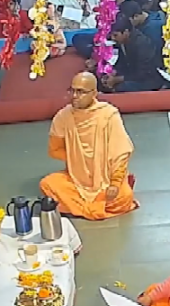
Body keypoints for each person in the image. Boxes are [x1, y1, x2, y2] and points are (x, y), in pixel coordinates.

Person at [39, 72, 138, 220]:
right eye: (72, 90)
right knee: (47, 184)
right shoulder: (63, 117)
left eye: (81, 92)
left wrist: (115, 183)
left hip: (107, 177)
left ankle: (79, 208)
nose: (74, 96)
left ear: (94, 93)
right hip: (77, 179)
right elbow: (54, 150)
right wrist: (79, 160)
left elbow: (121, 153)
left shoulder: (108, 115)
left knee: (124, 196)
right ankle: (94, 208)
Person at [99, 16, 161, 93]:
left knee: (121, 88)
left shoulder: (142, 44)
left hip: (147, 80)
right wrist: (113, 73)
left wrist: (117, 79)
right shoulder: (121, 42)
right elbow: (121, 63)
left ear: (126, 32)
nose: (113, 38)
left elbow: (142, 73)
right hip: (131, 74)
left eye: (115, 35)